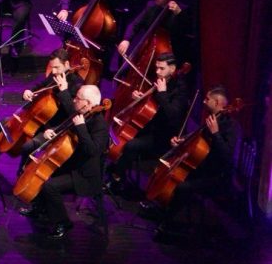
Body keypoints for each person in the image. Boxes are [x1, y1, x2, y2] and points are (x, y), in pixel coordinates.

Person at [150, 86, 239, 240]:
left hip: (217, 176)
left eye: (207, 99)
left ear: (217, 102)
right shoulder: (213, 118)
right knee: (175, 174)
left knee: (182, 186)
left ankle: (167, 223)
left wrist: (216, 134)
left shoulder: (232, 127)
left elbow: (227, 156)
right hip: (203, 168)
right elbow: (198, 141)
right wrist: (182, 141)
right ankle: (162, 210)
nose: (203, 102)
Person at [22, 84, 108, 238]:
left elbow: (93, 151)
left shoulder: (99, 124)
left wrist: (81, 127)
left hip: (84, 175)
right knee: (43, 172)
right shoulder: (82, 114)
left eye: (78, 98)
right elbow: (68, 134)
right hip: (71, 164)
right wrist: (53, 132)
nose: (74, 100)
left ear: (88, 103)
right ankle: (40, 208)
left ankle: (62, 222)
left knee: (49, 186)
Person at [107, 52, 189, 190]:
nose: (157, 72)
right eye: (157, 68)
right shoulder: (162, 79)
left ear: (172, 69)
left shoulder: (181, 90)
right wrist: (141, 97)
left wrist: (162, 93)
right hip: (151, 126)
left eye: (161, 68)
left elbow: (172, 115)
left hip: (164, 136)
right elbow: (152, 106)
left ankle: (117, 179)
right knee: (120, 133)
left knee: (131, 145)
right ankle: (117, 167)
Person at [117, 0, 195, 67]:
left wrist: (179, 14)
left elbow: (187, 31)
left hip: (171, 58)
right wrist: (126, 39)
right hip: (148, 51)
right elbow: (135, 24)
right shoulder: (151, 6)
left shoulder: (182, 11)